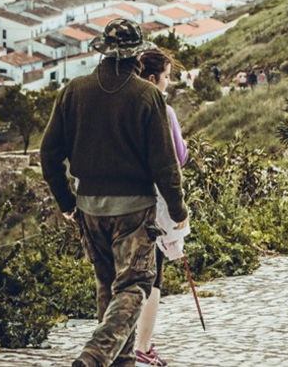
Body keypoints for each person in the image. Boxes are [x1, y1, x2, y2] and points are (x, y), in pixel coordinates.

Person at [40, 19, 188, 367]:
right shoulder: (147, 95)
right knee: (135, 286)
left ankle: (119, 362)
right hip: (134, 210)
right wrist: (179, 211)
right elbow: (165, 165)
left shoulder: (73, 91)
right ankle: (93, 356)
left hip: (88, 207)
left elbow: (49, 154)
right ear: (137, 56)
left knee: (108, 288)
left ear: (103, 52)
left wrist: (66, 202)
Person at [132, 50, 191, 367]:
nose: (168, 83)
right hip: (152, 202)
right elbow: (178, 157)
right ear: (153, 79)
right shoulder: (163, 111)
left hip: (117, 202)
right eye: (167, 76)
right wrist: (179, 210)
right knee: (152, 275)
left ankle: (122, 344)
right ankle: (143, 346)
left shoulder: (121, 106)